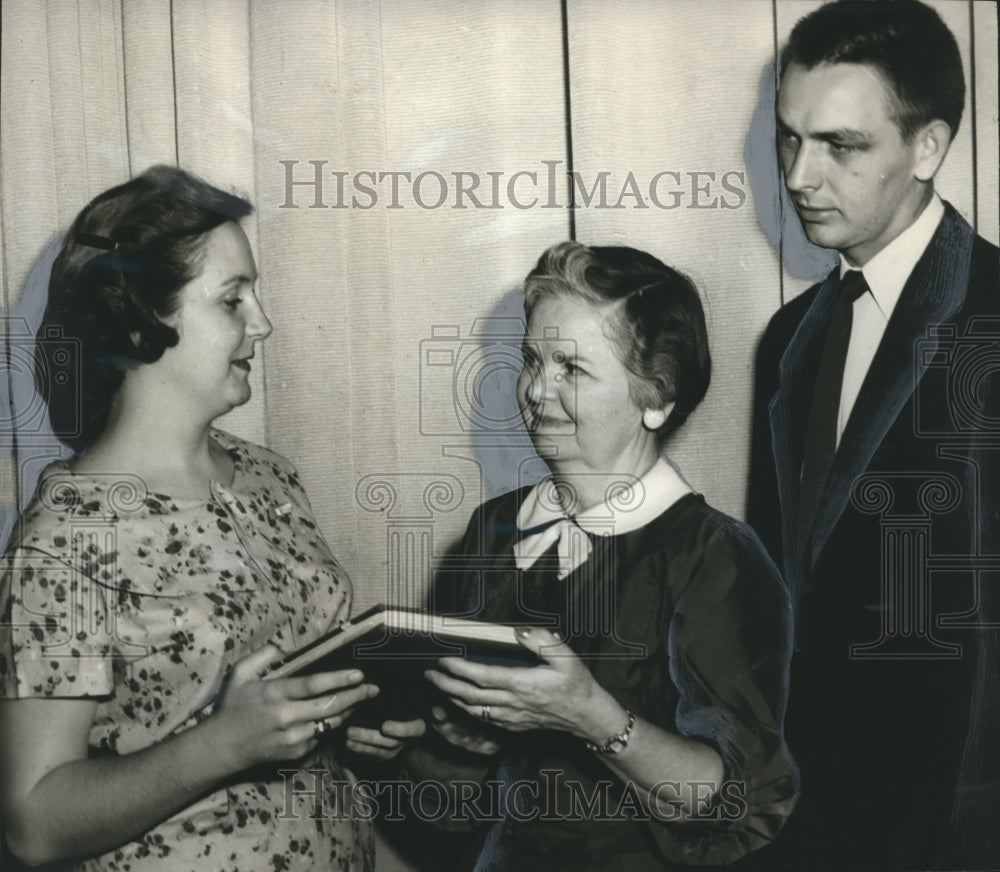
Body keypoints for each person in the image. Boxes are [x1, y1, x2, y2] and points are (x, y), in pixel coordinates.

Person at [0, 166, 418, 871]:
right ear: (140, 319)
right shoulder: (70, 536)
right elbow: (34, 821)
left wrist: (350, 721)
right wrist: (222, 744)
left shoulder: (268, 476)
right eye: (232, 300)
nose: (264, 323)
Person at [405, 241, 798, 871]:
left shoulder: (714, 557)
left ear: (656, 398)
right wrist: (447, 741)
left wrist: (592, 717)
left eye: (572, 368)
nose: (535, 390)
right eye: (532, 360)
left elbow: (741, 804)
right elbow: (452, 804)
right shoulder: (494, 530)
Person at [746, 1, 999, 868]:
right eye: (790, 138)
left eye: (841, 146)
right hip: (803, 818)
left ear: (926, 149)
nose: (800, 175)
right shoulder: (788, 340)